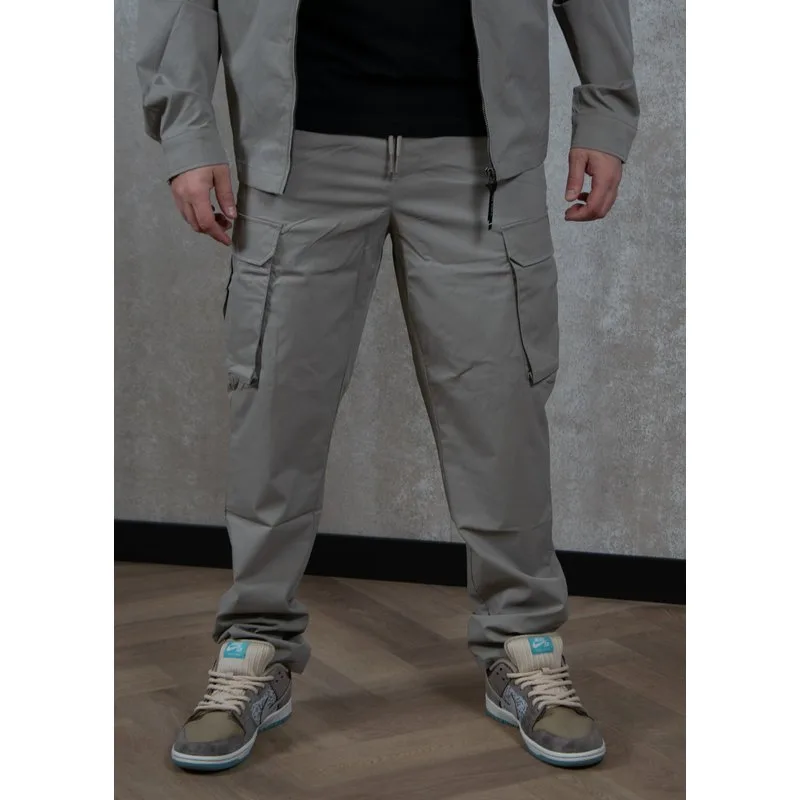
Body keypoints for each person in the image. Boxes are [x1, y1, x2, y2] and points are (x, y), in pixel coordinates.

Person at [136, 0, 639, 773]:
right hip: (297, 151)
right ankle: (255, 644)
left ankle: (524, 642)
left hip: (480, 156)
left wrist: (605, 111)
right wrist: (188, 129)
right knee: (275, 412)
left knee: (500, 411)